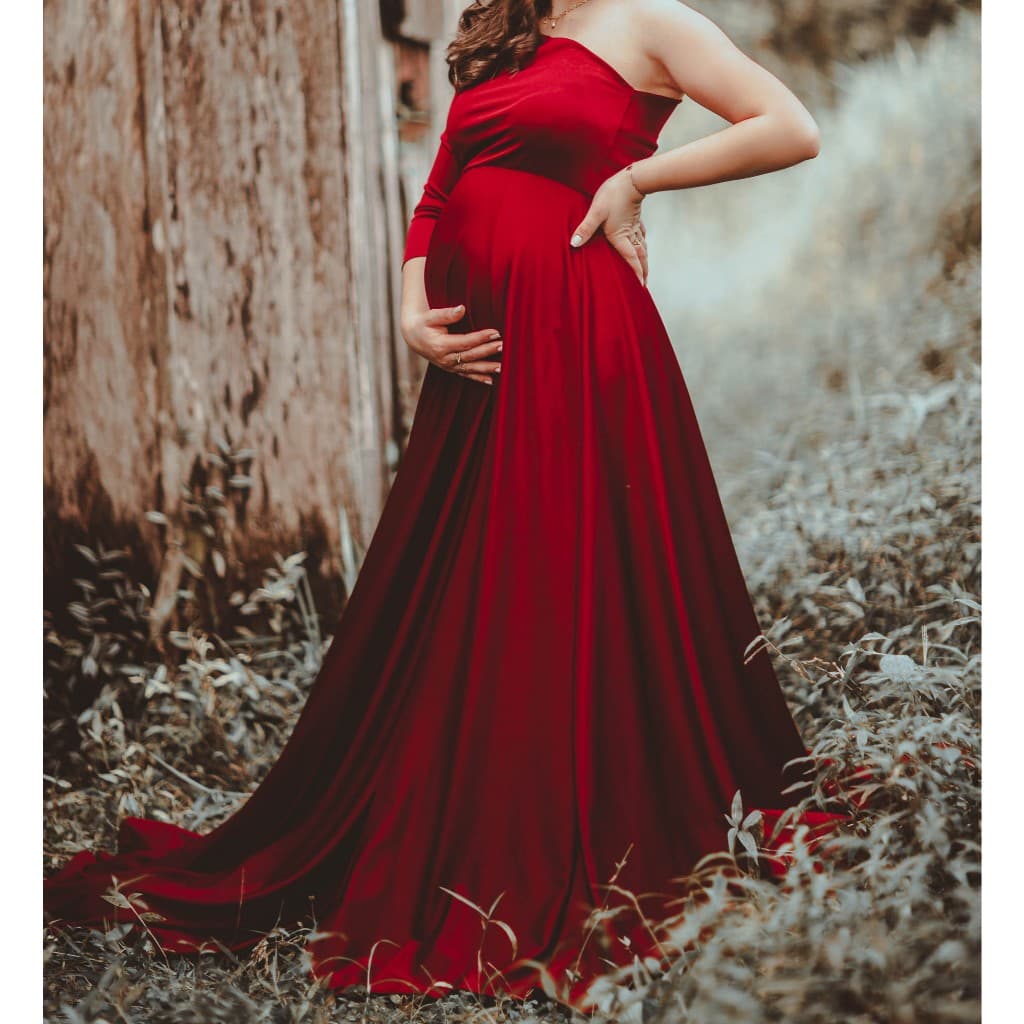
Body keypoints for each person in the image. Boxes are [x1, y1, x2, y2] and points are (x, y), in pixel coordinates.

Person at [44, 0, 847, 1011]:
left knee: (561, 568)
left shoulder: (651, 21)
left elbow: (787, 124)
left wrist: (635, 179)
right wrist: (413, 308)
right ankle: (447, 787)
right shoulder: (502, 26)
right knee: (465, 581)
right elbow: (441, 183)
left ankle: (544, 809)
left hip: (574, 335)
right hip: (476, 369)